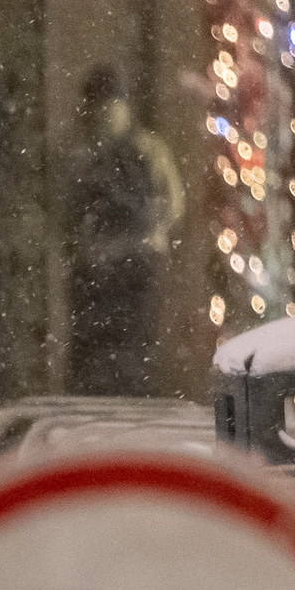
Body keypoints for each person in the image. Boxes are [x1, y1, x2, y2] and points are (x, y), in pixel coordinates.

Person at [64, 66, 182, 397]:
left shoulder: (81, 151)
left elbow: (66, 215)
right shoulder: (149, 147)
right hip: (142, 261)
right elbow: (173, 205)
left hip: (95, 265)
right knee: (138, 352)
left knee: (92, 357)